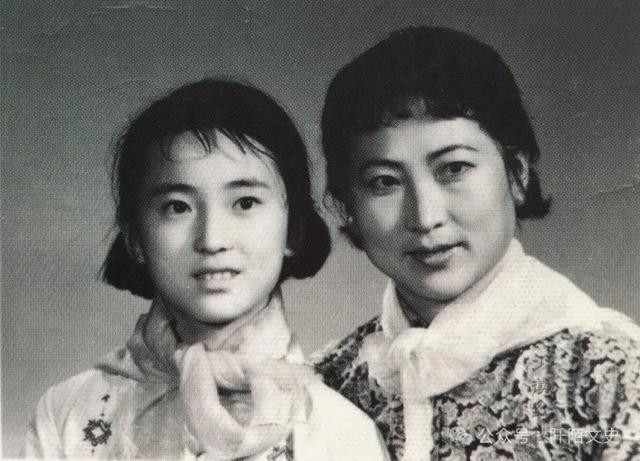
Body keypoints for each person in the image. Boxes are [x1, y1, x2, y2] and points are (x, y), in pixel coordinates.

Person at [314, 26, 640, 461]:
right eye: (384, 182)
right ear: (347, 207)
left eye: (453, 169)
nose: (425, 217)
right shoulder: (320, 386)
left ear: (517, 174)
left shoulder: (610, 373)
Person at [24, 79, 388, 460]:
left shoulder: (341, 433)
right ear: (135, 239)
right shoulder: (67, 414)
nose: (212, 240)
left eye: (245, 203)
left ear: (293, 229)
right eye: (177, 207)